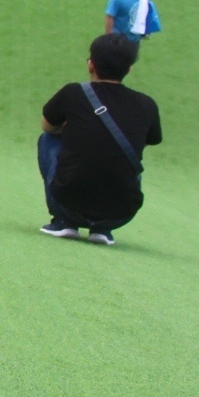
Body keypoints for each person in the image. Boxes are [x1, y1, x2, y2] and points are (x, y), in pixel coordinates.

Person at [38, 34, 162, 246]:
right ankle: (103, 229)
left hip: (67, 201)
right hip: (121, 213)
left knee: (48, 139)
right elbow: (149, 141)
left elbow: (48, 126)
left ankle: (64, 222)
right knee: (128, 159)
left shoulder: (73, 93)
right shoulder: (147, 104)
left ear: (90, 64)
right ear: (129, 68)